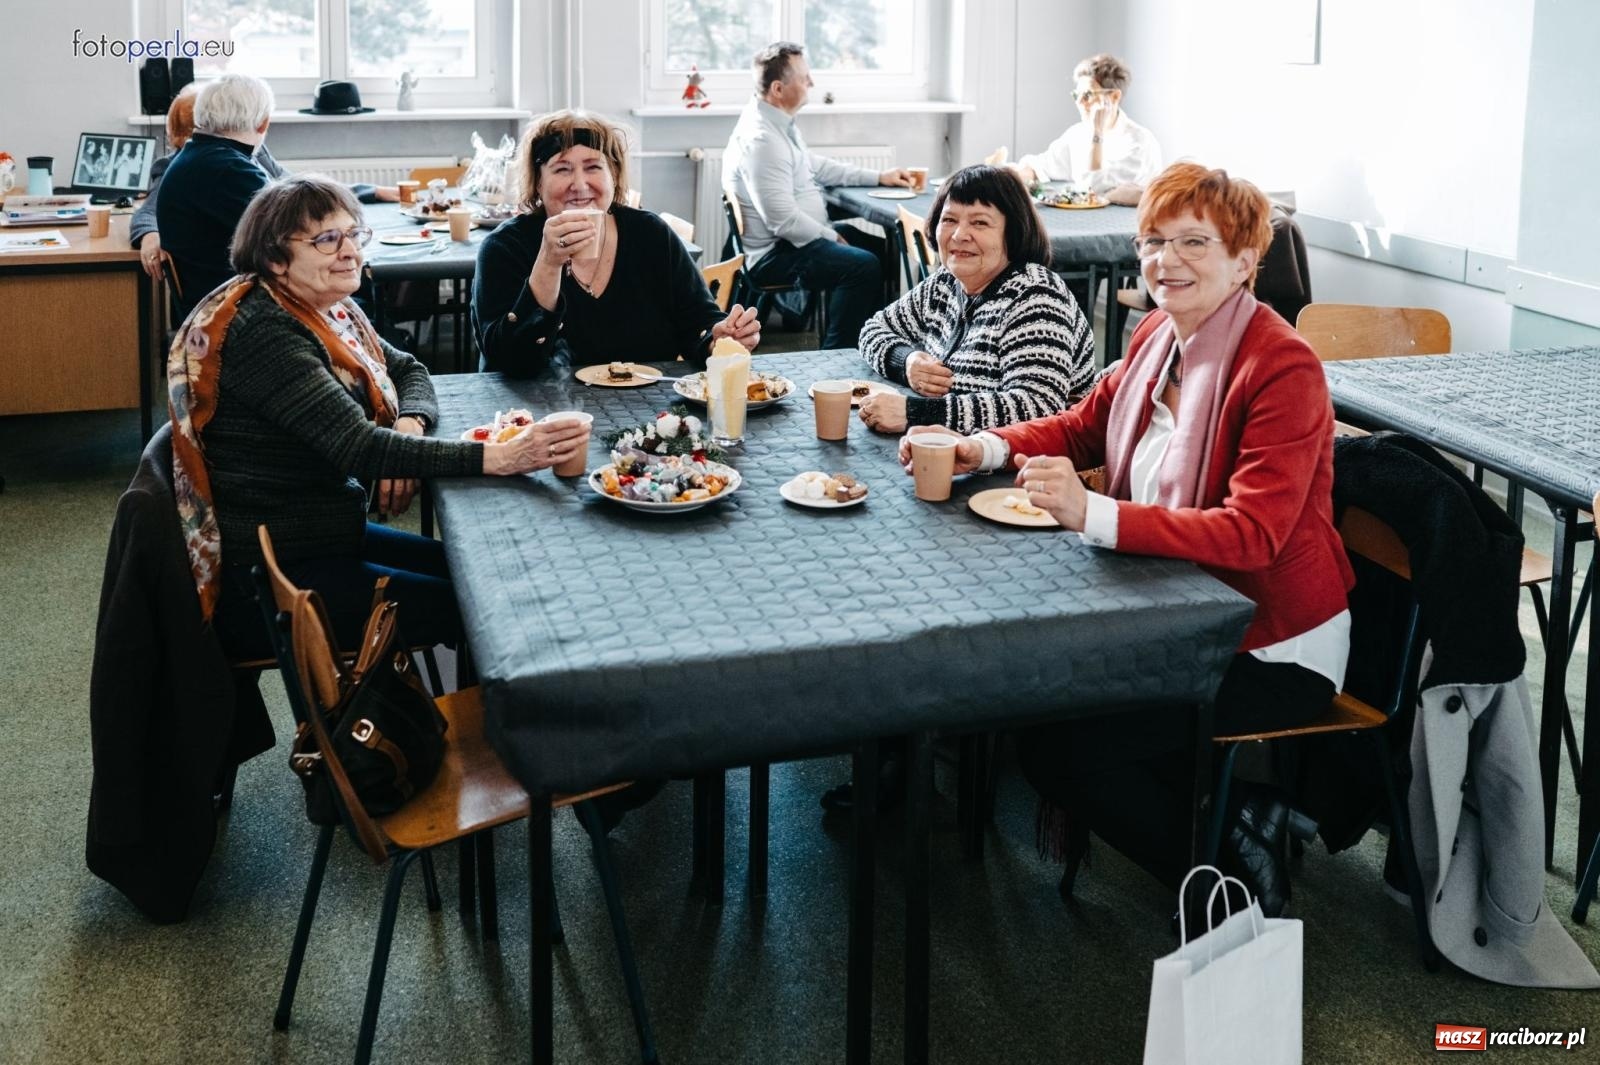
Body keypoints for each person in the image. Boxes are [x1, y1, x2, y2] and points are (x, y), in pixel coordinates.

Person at [897, 163, 1354, 916]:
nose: (1164, 260)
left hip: (1266, 640)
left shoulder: (1282, 365)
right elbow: (1084, 426)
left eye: (1192, 242)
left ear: (1245, 261)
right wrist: (979, 445)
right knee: (1044, 705)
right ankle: (1237, 818)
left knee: (1060, 742)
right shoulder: (1155, 335)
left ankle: (1228, 885)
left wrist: (1093, 515)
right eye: (1152, 240)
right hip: (1165, 603)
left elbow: (1255, 535)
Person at [167, 174, 590, 662]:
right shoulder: (265, 331)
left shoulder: (325, 308)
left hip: (326, 531)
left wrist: (407, 423)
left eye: (353, 234)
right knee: (489, 603)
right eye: (327, 239)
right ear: (275, 258)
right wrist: (505, 456)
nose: (349, 251)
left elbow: (408, 367)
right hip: (278, 571)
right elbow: (360, 449)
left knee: (481, 572)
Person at [473, 109, 760, 374]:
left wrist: (719, 339)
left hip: (643, 414)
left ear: (614, 175)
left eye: (593, 167)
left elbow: (698, 323)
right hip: (536, 419)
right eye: (562, 169)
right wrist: (548, 263)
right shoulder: (505, 248)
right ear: (538, 182)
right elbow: (506, 361)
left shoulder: (650, 235)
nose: (580, 184)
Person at [856, 164, 1094, 435]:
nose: (959, 235)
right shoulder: (945, 283)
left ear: (1013, 232)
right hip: (958, 450)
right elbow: (874, 330)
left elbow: (1037, 407)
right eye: (949, 220)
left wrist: (914, 413)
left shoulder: (1036, 296)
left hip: (1026, 468)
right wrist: (906, 362)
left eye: (980, 222)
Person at [722, 41, 915, 348]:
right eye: (803, 77)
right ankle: (838, 356)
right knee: (862, 266)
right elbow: (782, 221)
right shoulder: (762, 141)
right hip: (775, 253)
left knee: (881, 252)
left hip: (790, 241)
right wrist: (829, 235)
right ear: (777, 89)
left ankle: (876, 342)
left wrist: (880, 176)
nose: (811, 83)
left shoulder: (778, 125)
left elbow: (816, 166)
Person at [133, 84, 396, 281]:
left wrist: (371, 191)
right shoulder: (229, 168)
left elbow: (299, 188)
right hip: (242, 299)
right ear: (263, 123)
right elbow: (301, 224)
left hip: (224, 292)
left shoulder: (205, 154)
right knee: (358, 274)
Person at [155, 74, 275, 316]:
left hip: (213, 303)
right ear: (263, 123)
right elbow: (293, 233)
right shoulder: (229, 169)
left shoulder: (196, 156)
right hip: (237, 311)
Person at [1014, 53, 1162, 206]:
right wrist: (1022, 177)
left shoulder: (1140, 142)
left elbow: (1094, 188)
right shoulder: (1077, 133)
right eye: (1076, 95)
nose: (1080, 103)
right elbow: (1043, 164)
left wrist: (1096, 134)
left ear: (1114, 97)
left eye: (1088, 95)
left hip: (1125, 227)